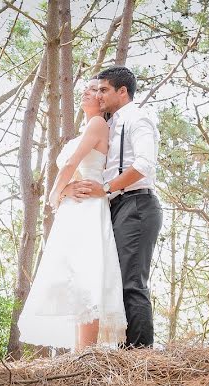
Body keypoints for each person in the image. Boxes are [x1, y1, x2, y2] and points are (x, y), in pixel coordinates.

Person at [18, 79, 127, 350]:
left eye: (94, 90)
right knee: (73, 277)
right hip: (74, 207)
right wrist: (64, 191)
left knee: (86, 274)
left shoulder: (98, 124)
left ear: (103, 100)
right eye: (86, 89)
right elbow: (70, 168)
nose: (86, 92)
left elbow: (70, 163)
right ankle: (79, 352)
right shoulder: (85, 130)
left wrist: (54, 195)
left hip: (87, 207)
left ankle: (86, 353)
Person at [64, 66, 163, 348]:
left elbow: (144, 164)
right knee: (115, 283)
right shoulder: (109, 126)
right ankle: (124, 354)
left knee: (131, 283)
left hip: (137, 204)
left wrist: (107, 189)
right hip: (115, 208)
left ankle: (140, 358)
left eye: (105, 90)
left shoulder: (138, 118)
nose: (100, 95)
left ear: (122, 91)